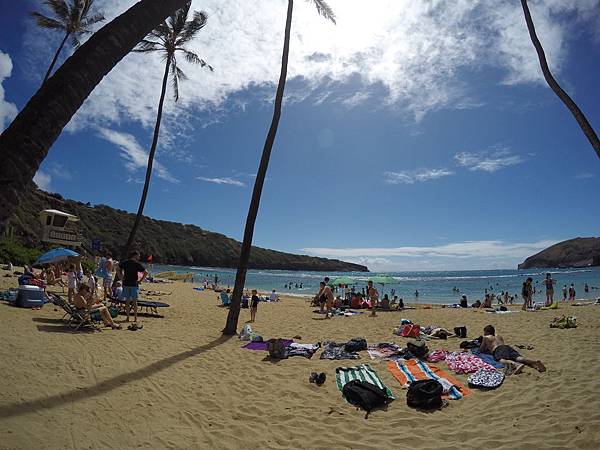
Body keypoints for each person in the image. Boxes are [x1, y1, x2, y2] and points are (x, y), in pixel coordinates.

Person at [480, 325, 546, 375]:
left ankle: (517, 365)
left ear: (487, 332)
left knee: (501, 360)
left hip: (498, 349)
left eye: (484, 332)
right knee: (518, 358)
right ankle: (534, 362)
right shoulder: (498, 336)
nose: (484, 334)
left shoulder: (486, 337)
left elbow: (481, 349)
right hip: (507, 347)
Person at [117, 251, 148, 323]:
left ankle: (127, 318)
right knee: (134, 302)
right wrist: (140, 280)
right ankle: (135, 318)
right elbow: (146, 272)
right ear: (135, 256)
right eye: (138, 256)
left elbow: (117, 268)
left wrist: (120, 277)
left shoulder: (125, 262)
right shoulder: (137, 264)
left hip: (126, 283)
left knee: (127, 301)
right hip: (134, 284)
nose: (139, 257)